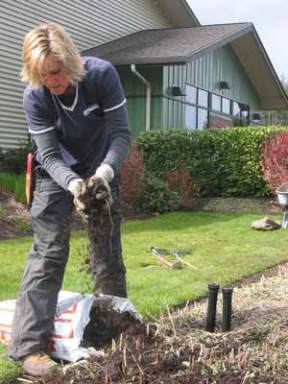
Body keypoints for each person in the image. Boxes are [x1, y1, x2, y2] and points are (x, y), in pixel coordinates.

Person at [8, 22, 131, 376]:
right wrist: (75, 185)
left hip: (101, 169)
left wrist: (104, 174)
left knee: (107, 253)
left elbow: (121, 134)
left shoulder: (102, 76)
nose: (52, 81)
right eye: (42, 74)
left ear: (71, 62)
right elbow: (47, 155)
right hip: (57, 175)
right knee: (48, 252)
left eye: (57, 71)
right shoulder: (35, 94)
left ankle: (115, 333)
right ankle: (30, 349)